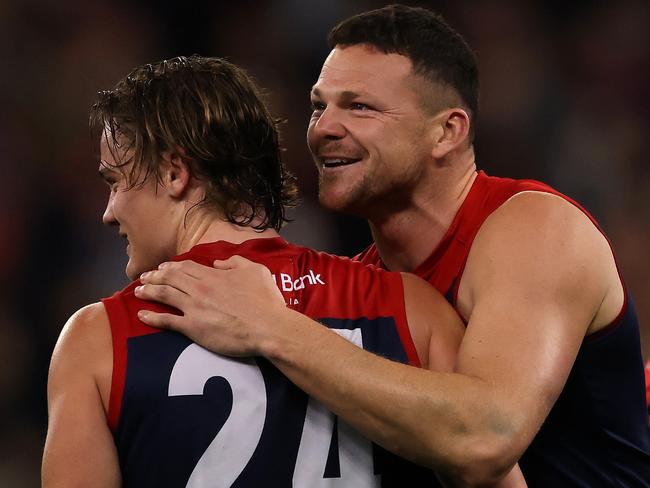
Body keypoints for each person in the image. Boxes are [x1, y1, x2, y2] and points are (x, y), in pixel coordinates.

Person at [134, 5, 650, 487]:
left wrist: (273, 328)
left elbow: (487, 437)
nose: (323, 129)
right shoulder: (368, 286)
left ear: (447, 131)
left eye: (359, 107)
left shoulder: (534, 229)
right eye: (319, 106)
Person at [42, 55, 527, 487]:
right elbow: (484, 461)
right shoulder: (411, 306)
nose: (109, 212)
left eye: (116, 181)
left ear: (174, 173)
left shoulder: (97, 341)